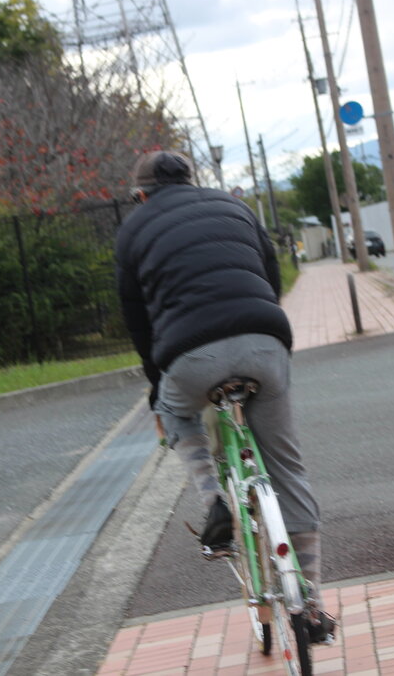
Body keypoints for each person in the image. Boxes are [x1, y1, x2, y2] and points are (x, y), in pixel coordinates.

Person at [115, 150, 334, 642]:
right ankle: (312, 608)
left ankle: (214, 500)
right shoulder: (234, 205)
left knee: (175, 411)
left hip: (188, 354)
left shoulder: (133, 229)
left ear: (142, 194)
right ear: (191, 181)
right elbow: (271, 276)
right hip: (264, 340)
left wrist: (157, 384)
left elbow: (136, 318)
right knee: (288, 469)